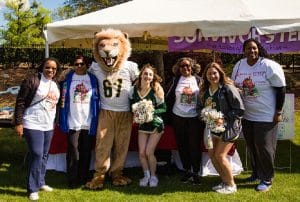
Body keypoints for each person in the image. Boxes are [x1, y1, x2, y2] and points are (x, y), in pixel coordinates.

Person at [231, 38, 286, 192]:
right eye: (248, 48)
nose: (252, 51)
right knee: (252, 146)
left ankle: (267, 179)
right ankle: (256, 173)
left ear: (258, 49)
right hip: (247, 115)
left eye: (254, 48)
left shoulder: (268, 65)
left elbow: (281, 88)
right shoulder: (239, 65)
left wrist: (279, 111)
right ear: (244, 51)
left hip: (266, 115)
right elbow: (234, 85)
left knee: (264, 147)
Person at [14, 57, 61, 200]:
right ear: (42, 67)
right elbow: (21, 102)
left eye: (53, 68)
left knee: (45, 155)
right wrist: (18, 123)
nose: (50, 70)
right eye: (48, 67)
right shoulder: (32, 80)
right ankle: (32, 188)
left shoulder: (55, 84)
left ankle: (41, 182)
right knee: (37, 154)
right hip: (32, 122)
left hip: (48, 124)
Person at [197, 62, 244, 194]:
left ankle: (231, 185)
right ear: (205, 76)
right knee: (212, 155)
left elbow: (239, 109)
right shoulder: (204, 90)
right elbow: (199, 108)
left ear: (220, 73)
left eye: (215, 73)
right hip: (211, 128)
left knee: (220, 155)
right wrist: (205, 116)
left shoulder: (227, 88)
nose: (212, 76)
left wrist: (223, 118)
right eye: (209, 73)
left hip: (228, 127)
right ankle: (224, 182)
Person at [59, 55, 99, 188]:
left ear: (86, 65)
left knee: (86, 151)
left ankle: (83, 177)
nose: (79, 66)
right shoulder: (67, 79)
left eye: (82, 64)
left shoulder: (92, 79)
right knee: (73, 151)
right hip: (72, 121)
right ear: (73, 66)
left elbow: (96, 98)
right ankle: (72, 179)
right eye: (76, 64)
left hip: (88, 122)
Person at [165, 57, 204, 185]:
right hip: (178, 117)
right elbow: (167, 96)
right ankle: (187, 170)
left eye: (188, 66)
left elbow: (205, 96)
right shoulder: (175, 80)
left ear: (192, 67)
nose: (185, 68)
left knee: (194, 146)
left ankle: (196, 172)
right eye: (182, 66)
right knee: (182, 145)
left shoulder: (198, 80)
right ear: (178, 68)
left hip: (194, 118)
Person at [129, 64, 167, 187]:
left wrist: (150, 112)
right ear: (141, 75)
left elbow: (163, 108)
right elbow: (131, 106)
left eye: (150, 74)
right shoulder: (133, 90)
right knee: (141, 153)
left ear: (153, 77)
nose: (148, 76)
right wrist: (136, 112)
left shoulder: (156, 89)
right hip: (142, 125)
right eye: (145, 74)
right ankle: (146, 176)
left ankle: (154, 176)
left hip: (155, 124)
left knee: (149, 152)